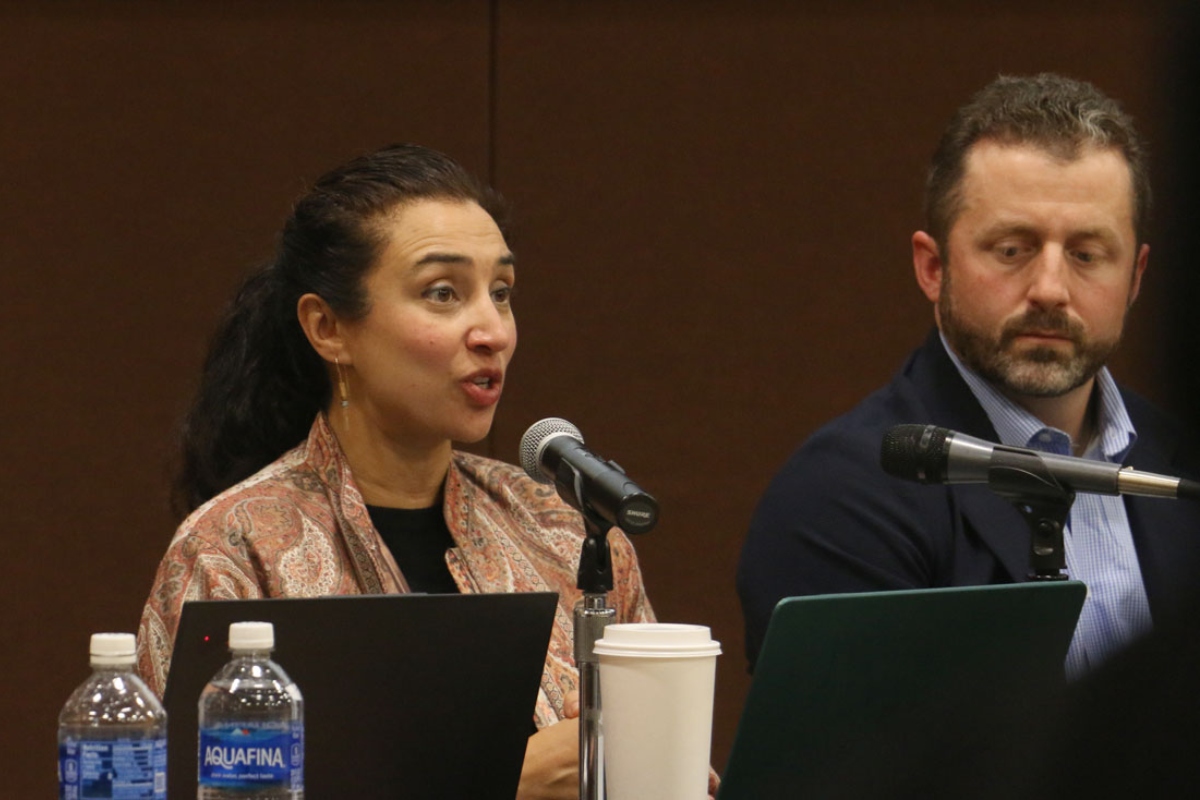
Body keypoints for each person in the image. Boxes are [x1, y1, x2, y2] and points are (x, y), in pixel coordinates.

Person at [136, 143, 654, 799]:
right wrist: (497, 786)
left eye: (502, 292)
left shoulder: (564, 530)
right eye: (443, 293)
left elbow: (682, 771)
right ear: (329, 329)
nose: (491, 330)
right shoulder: (235, 549)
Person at [737, 73, 1200, 677]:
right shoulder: (838, 498)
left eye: (1087, 254)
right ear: (933, 268)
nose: (1050, 290)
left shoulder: (1184, 468)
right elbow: (866, 766)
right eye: (1012, 249)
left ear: (1136, 278)